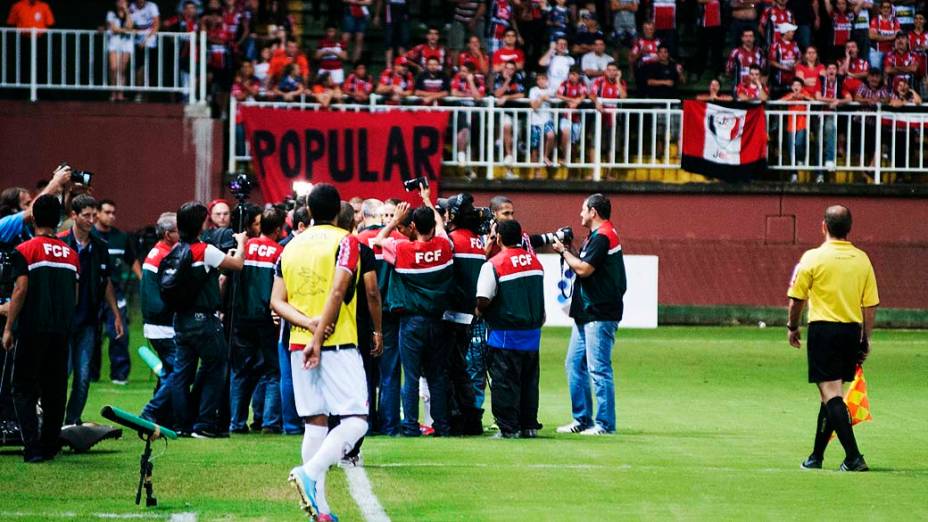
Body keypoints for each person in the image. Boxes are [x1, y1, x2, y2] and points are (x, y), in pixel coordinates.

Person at [273, 184, 369, 521]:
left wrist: (308, 326)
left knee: (315, 423)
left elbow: (276, 302)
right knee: (356, 420)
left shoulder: (290, 247)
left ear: (310, 211)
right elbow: (339, 288)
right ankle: (308, 473)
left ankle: (321, 509)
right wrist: (320, 332)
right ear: (338, 212)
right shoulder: (346, 241)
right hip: (335, 342)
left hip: (298, 343)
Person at [787, 205, 878, 472]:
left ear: (823, 226)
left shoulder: (813, 258)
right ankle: (816, 456)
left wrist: (792, 326)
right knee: (830, 396)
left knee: (830, 395)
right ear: (849, 228)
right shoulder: (862, 259)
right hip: (851, 329)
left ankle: (854, 457)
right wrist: (866, 338)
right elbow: (870, 305)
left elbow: (796, 299)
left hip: (824, 330)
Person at [142, 202, 245, 437]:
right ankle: (205, 423)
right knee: (215, 366)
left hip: (180, 320)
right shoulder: (203, 250)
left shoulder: (175, 251)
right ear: (201, 224)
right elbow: (237, 265)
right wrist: (242, 244)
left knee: (181, 373)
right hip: (203, 320)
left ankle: (182, 425)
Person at [372, 187, 454, 437]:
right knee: (437, 376)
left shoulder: (403, 250)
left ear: (413, 226)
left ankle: (409, 425)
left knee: (412, 376)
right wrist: (427, 199)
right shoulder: (444, 246)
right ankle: (442, 425)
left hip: (411, 322)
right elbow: (439, 226)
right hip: (438, 320)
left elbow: (377, 241)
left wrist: (394, 221)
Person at [2, 195, 77, 463]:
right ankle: (50, 444)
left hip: (32, 329)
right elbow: (74, 293)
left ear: (33, 218)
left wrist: (9, 327)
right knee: (55, 390)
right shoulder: (71, 254)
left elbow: (20, 289)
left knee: (22, 387)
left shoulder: (24, 250)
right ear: (58, 220)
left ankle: (32, 447)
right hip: (60, 331)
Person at [551, 194, 627, 435]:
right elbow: (585, 264)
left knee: (598, 368)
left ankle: (604, 424)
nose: (580, 214)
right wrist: (570, 249)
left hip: (599, 312)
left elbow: (583, 269)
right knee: (574, 364)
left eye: (583, 210)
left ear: (593, 212)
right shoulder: (600, 235)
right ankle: (582, 419)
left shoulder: (602, 237)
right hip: (588, 311)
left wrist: (564, 251)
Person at [58, 195, 124, 426]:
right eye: (86, 215)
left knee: (83, 376)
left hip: (88, 320)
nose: (91, 220)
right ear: (73, 216)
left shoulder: (99, 247)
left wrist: (115, 313)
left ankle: (71, 420)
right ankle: (52, 420)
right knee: (60, 374)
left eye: (93, 215)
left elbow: (105, 282)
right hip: (63, 321)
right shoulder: (61, 244)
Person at [476, 219, 544, 439]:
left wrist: (479, 311)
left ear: (499, 238)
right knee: (529, 382)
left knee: (505, 382)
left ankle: (508, 428)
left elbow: (484, 298)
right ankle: (529, 425)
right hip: (532, 334)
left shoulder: (494, 264)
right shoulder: (535, 262)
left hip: (505, 334)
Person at [229, 208, 285, 434]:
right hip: (266, 318)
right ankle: (270, 423)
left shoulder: (246, 246)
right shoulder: (279, 252)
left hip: (241, 317)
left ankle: (237, 422)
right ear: (279, 229)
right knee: (273, 370)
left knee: (241, 371)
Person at [356, 199, 404, 435]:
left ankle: (365, 422)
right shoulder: (402, 241)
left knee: (363, 370)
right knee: (390, 371)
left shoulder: (358, 241)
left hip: (363, 313)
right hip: (392, 312)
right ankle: (391, 425)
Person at [442, 194, 487, 435]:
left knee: (451, 369)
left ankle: (458, 419)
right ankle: (470, 417)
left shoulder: (453, 240)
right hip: (469, 313)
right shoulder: (477, 241)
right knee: (460, 367)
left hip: (451, 313)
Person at [92, 199, 141, 385]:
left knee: (119, 332)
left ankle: (120, 374)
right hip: (94, 292)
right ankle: (91, 374)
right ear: (97, 213)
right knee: (92, 335)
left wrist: (143, 279)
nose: (111, 216)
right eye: (107, 212)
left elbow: (132, 259)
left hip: (116, 292)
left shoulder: (121, 237)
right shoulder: (90, 235)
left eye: (113, 213)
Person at [138, 212, 178, 426]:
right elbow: (167, 292)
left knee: (169, 372)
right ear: (166, 233)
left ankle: (161, 415)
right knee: (178, 372)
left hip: (155, 324)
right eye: (177, 229)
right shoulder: (165, 256)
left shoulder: (157, 252)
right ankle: (151, 411)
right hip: (163, 325)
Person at [129, 0, 161, 102]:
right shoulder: (131, 7)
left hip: (151, 42)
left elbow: (156, 25)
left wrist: (146, 40)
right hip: (136, 41)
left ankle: (147, 95)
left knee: (150, 69)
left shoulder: (152, 6)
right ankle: (139, 93)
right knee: (139, 68)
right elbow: (128, 24)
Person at [107, 0, 135, 102]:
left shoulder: (131, 12)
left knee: (122, 69)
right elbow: (114, 29)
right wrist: (126, 30)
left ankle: (120, 93)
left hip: (126, 43)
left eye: (123, 1)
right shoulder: (111, 13)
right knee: (113, 68)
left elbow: (130, 25)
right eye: (119, 1)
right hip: (114, 42)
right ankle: (113, 92)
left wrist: (127, 12)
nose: (121, 3)